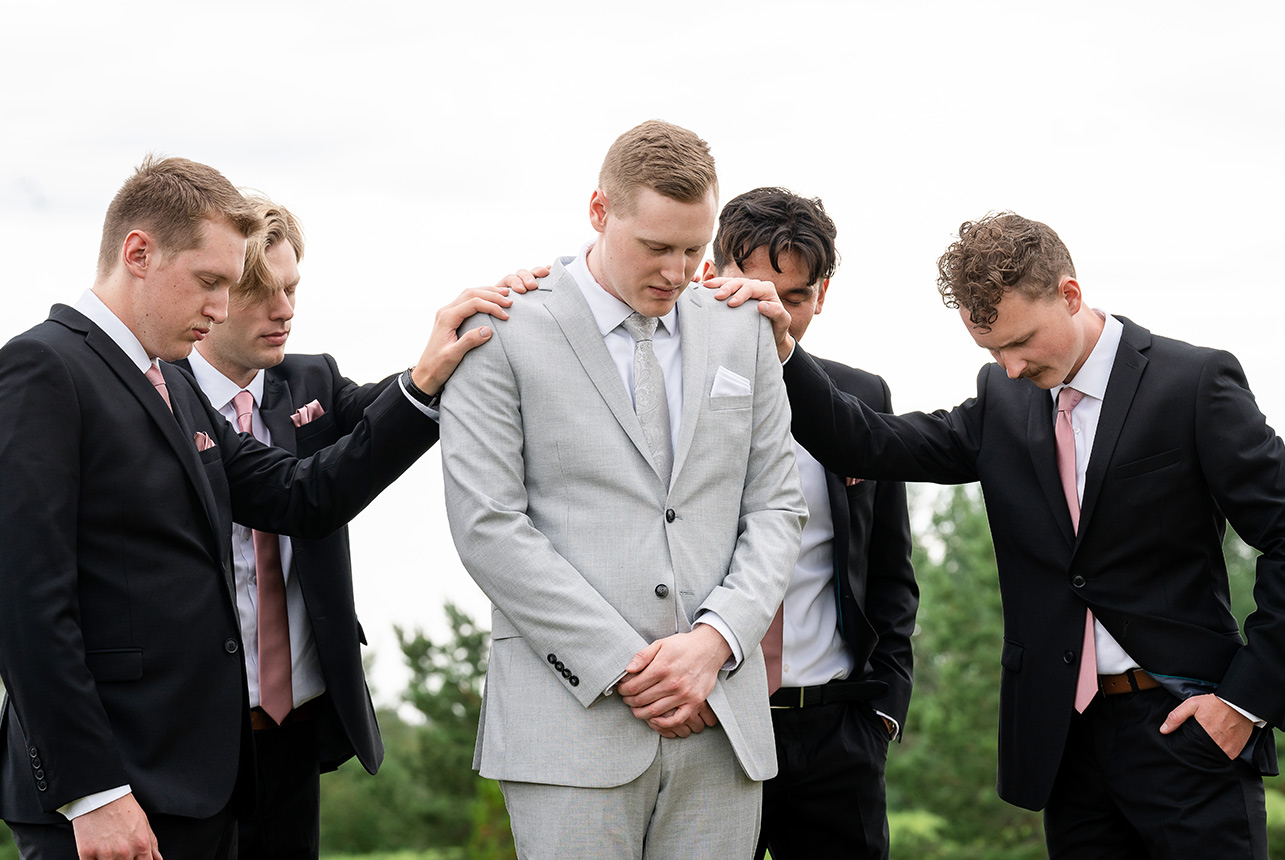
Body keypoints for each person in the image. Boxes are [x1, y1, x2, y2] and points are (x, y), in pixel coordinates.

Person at [711, 211, 1281, 858]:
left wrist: (1240, 703)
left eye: (1020, 342)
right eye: (990, 352)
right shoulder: (1004, 402)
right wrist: (785, 349)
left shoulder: (1193, 384)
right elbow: (866, 442)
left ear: (1069, 295)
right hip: (1065, 747)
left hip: (1190, 732)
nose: (1008, 368)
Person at [0, 156, 511, 860]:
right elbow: (25, 601)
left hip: (209, 789)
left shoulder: (168, 385)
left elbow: (299, 493)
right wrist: (93, 793)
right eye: (210, 282)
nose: (217, 306)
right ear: (138, 253)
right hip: (114, 794)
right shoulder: (43, 368)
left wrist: (429, 378)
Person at [439, 121, 807, 858]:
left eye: (693, 250)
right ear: (599, 213)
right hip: (568, 726)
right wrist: (626, 666)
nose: (677, 272)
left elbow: (776, 505)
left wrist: (713, 642)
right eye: (656, 247)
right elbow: (488, 524)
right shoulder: (500, 331)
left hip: (720, 721)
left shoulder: (743, 331)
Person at [172, 195, 478, 859]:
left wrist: (478, 335)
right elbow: (305, 494)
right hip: (187, 738)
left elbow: (388, 415)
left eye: (292, 288)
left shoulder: (311, 379)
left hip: (295, 729)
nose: (284, 310)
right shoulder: (155, 398)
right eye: (260, 291)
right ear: (215, 293)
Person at [702, 187, 916, 860]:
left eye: (792, 298)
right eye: (753, 291)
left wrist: (881, 712)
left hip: (836, 735)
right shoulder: (666, 395)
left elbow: (889, 571)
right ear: (710, 278)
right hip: (705, 730)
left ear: (821, 295)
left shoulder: (862, 397)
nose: (772, 314)